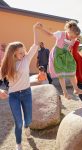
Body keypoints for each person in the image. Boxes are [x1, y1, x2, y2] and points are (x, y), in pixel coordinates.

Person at [0, 22, 41, 150]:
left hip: (27, 93)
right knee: (18, 123)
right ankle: (18, 143)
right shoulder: (6, 66)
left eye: (24, 52)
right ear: (13, 54)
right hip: (13, 96)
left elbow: (35, 45)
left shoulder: (26, 59)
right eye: (21, 53)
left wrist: (34, 29)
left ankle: (27, 127)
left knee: (27, 120)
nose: (24, 54)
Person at [38, 20, 82, 99]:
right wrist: (41, 29)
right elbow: (49, 34)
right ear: (68, 31)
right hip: (57, 54)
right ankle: (65, 93)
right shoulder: (60, 34)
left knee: (72, 68)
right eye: (72, 36)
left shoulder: (74, 38)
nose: (73, 38)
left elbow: (72, 47)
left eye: (75, 37)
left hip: (65, 54)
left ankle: (76, 89)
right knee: (61, 74)